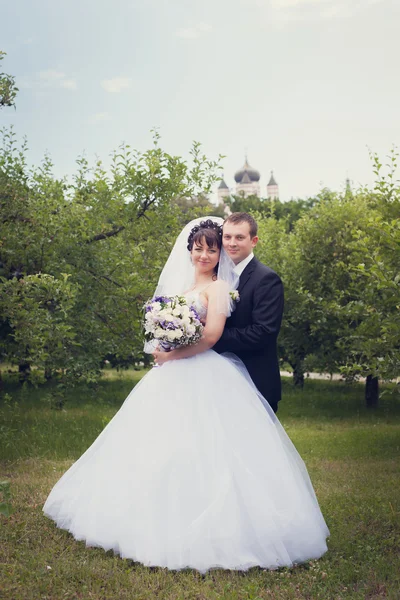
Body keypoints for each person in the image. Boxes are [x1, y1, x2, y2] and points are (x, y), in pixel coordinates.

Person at [43, 217, 329, 573]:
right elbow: (171, 328)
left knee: (214, 449)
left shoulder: (222, 287)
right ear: (190, 250)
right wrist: (165, 337)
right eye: (200, 247)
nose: (205, 253)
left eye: (213, 247)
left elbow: (211, 337)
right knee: (160, 445)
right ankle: (147, 517)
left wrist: (177, 350)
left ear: (233, 246)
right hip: (173, 377)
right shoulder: (181, 288)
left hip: (209, 372)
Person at [213, 213, 284, 413]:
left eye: (239, 237)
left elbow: (263, 332)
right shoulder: (215, 275)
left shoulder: (266, 279)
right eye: (227, 237)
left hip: (255, 382)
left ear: (254, 241)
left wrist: (209, 336)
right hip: (218, 381)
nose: (231, 243)